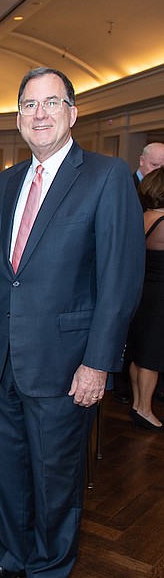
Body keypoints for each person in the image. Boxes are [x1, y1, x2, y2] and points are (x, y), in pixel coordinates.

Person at [0, 67, 145, 578]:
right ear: (18, 117)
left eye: (51, 103)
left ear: (72, 113)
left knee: (56, 476)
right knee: (9, 471)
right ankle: (13, 557)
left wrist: (98, 362)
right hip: (2, 360)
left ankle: (47, 575)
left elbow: (120, 278)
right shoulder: (4, 183)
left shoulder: (108, 176)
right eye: (28, 105)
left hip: (68, 364)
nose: (39, 114)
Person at [114, 140, 164, 403]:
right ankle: (140, 404)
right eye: (156, 165)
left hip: (145, 286)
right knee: (147, 351)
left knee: (141, 347)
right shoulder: (125, 187)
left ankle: (137, 399)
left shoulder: (146, 215)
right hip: (149, 290)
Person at [125, 167, 164, 430]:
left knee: (139, 353)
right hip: (160, 296)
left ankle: (138, 403)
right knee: (152, 355)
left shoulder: (143, 216)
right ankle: (145, 409)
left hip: (142, 292)